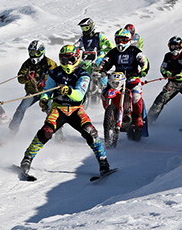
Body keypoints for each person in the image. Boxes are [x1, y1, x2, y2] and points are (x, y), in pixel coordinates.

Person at [20, 44, 109, 178]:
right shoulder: (55, 73)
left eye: (70, 59)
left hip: (75, 110)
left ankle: (103, 162)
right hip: (58, 108)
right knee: (46, 132)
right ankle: (27, 158)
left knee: (90, 132)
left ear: (76, 59)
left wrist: (68, 90)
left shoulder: (83, 74)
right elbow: (47, 90)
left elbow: (79, 95)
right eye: (63, 60)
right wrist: (44, 99)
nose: (67, 63)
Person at [98, 28, 150, 131]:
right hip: (117, 79)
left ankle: (138, 117)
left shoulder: (134, 50)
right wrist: (101, 70)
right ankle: (111, 113)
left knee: (136, 95)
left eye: (124, 40)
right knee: (105, 92)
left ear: (129, 40)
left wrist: (143, 70)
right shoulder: (113, 52)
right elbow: (105, 61)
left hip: (132, 78)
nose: (121, 42)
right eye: (118, 40)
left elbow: (144, 60)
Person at [148, 37, 182, 129]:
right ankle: (149, 120)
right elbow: (163, 68)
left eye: (176, 46)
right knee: (161, 99)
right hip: (173, 83)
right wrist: (168, 73)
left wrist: (180, 74)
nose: (174, 49)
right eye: (172, 46)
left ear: (181, 46)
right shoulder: (168, 56)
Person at [10, 40, 57, 133]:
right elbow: (20, 79)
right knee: (21, 109)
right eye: (31, 52)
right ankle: (12, 131)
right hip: (32, 92)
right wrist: (26, 77)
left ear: (41, 52)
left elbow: (57, 77)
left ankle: (58, 133)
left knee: (51, 112)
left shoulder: (49, 63)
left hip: (46, 93)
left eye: (36, 53)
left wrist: (46, 83)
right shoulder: (27, 64)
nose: (33, 55)